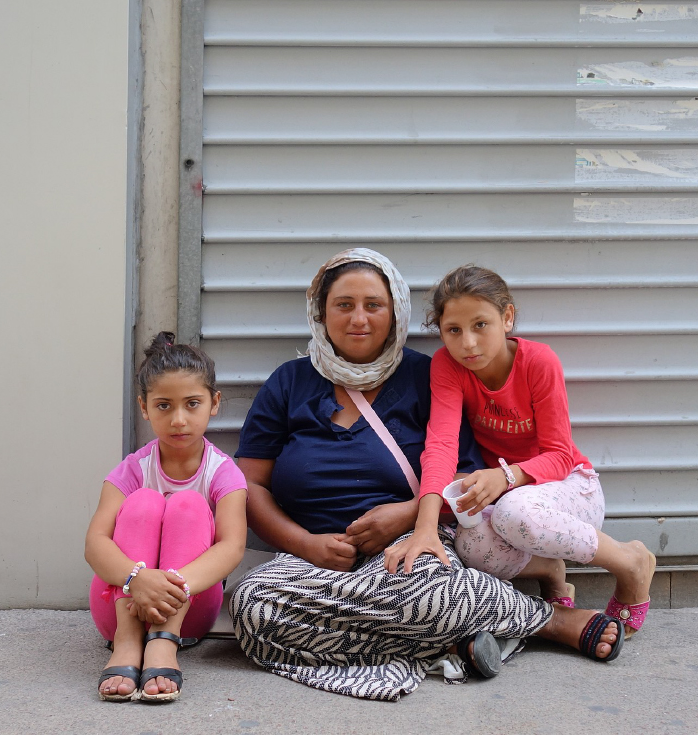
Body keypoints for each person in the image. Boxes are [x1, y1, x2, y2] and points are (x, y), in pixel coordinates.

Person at [230, 249, 627, 702]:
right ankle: (453, 641)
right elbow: (249, 485)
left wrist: (407, 515)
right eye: (343, 305)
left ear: (396, 312)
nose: (359, 318)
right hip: (313, 561)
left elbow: (464, 470)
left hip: (406, 549)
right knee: (252, 604)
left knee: (430, 588)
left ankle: (551, 622)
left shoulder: (427, 373)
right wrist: (304, 544)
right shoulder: (288, 382)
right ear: (321, 312)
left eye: (373, 305)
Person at [384, 265, 655, 634]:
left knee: (515, 511)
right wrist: (425, 528)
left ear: (507, 317)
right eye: (454, 330)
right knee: (469, 542)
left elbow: (560, 456)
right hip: (510, 498)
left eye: (480, 325)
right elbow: (442, 444)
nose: (468, 343)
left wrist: (506, 476)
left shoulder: (538, 362)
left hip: (571, 489)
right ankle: (550, 571)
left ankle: (630, 560)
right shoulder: (448, 366)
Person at [85, 332, 247, 702]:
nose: (178, 420)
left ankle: (162, 643)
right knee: (143, 501)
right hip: (119, 610)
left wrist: (168, 588)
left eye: (192, 404)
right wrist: (138, 579)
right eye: (163, 406)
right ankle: (128, 643)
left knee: (188, 504)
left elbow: (232, 547)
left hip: (188, 612)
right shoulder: (132, 469)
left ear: (214, 403)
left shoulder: (223, 473)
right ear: (144, 407)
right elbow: (94, 544)